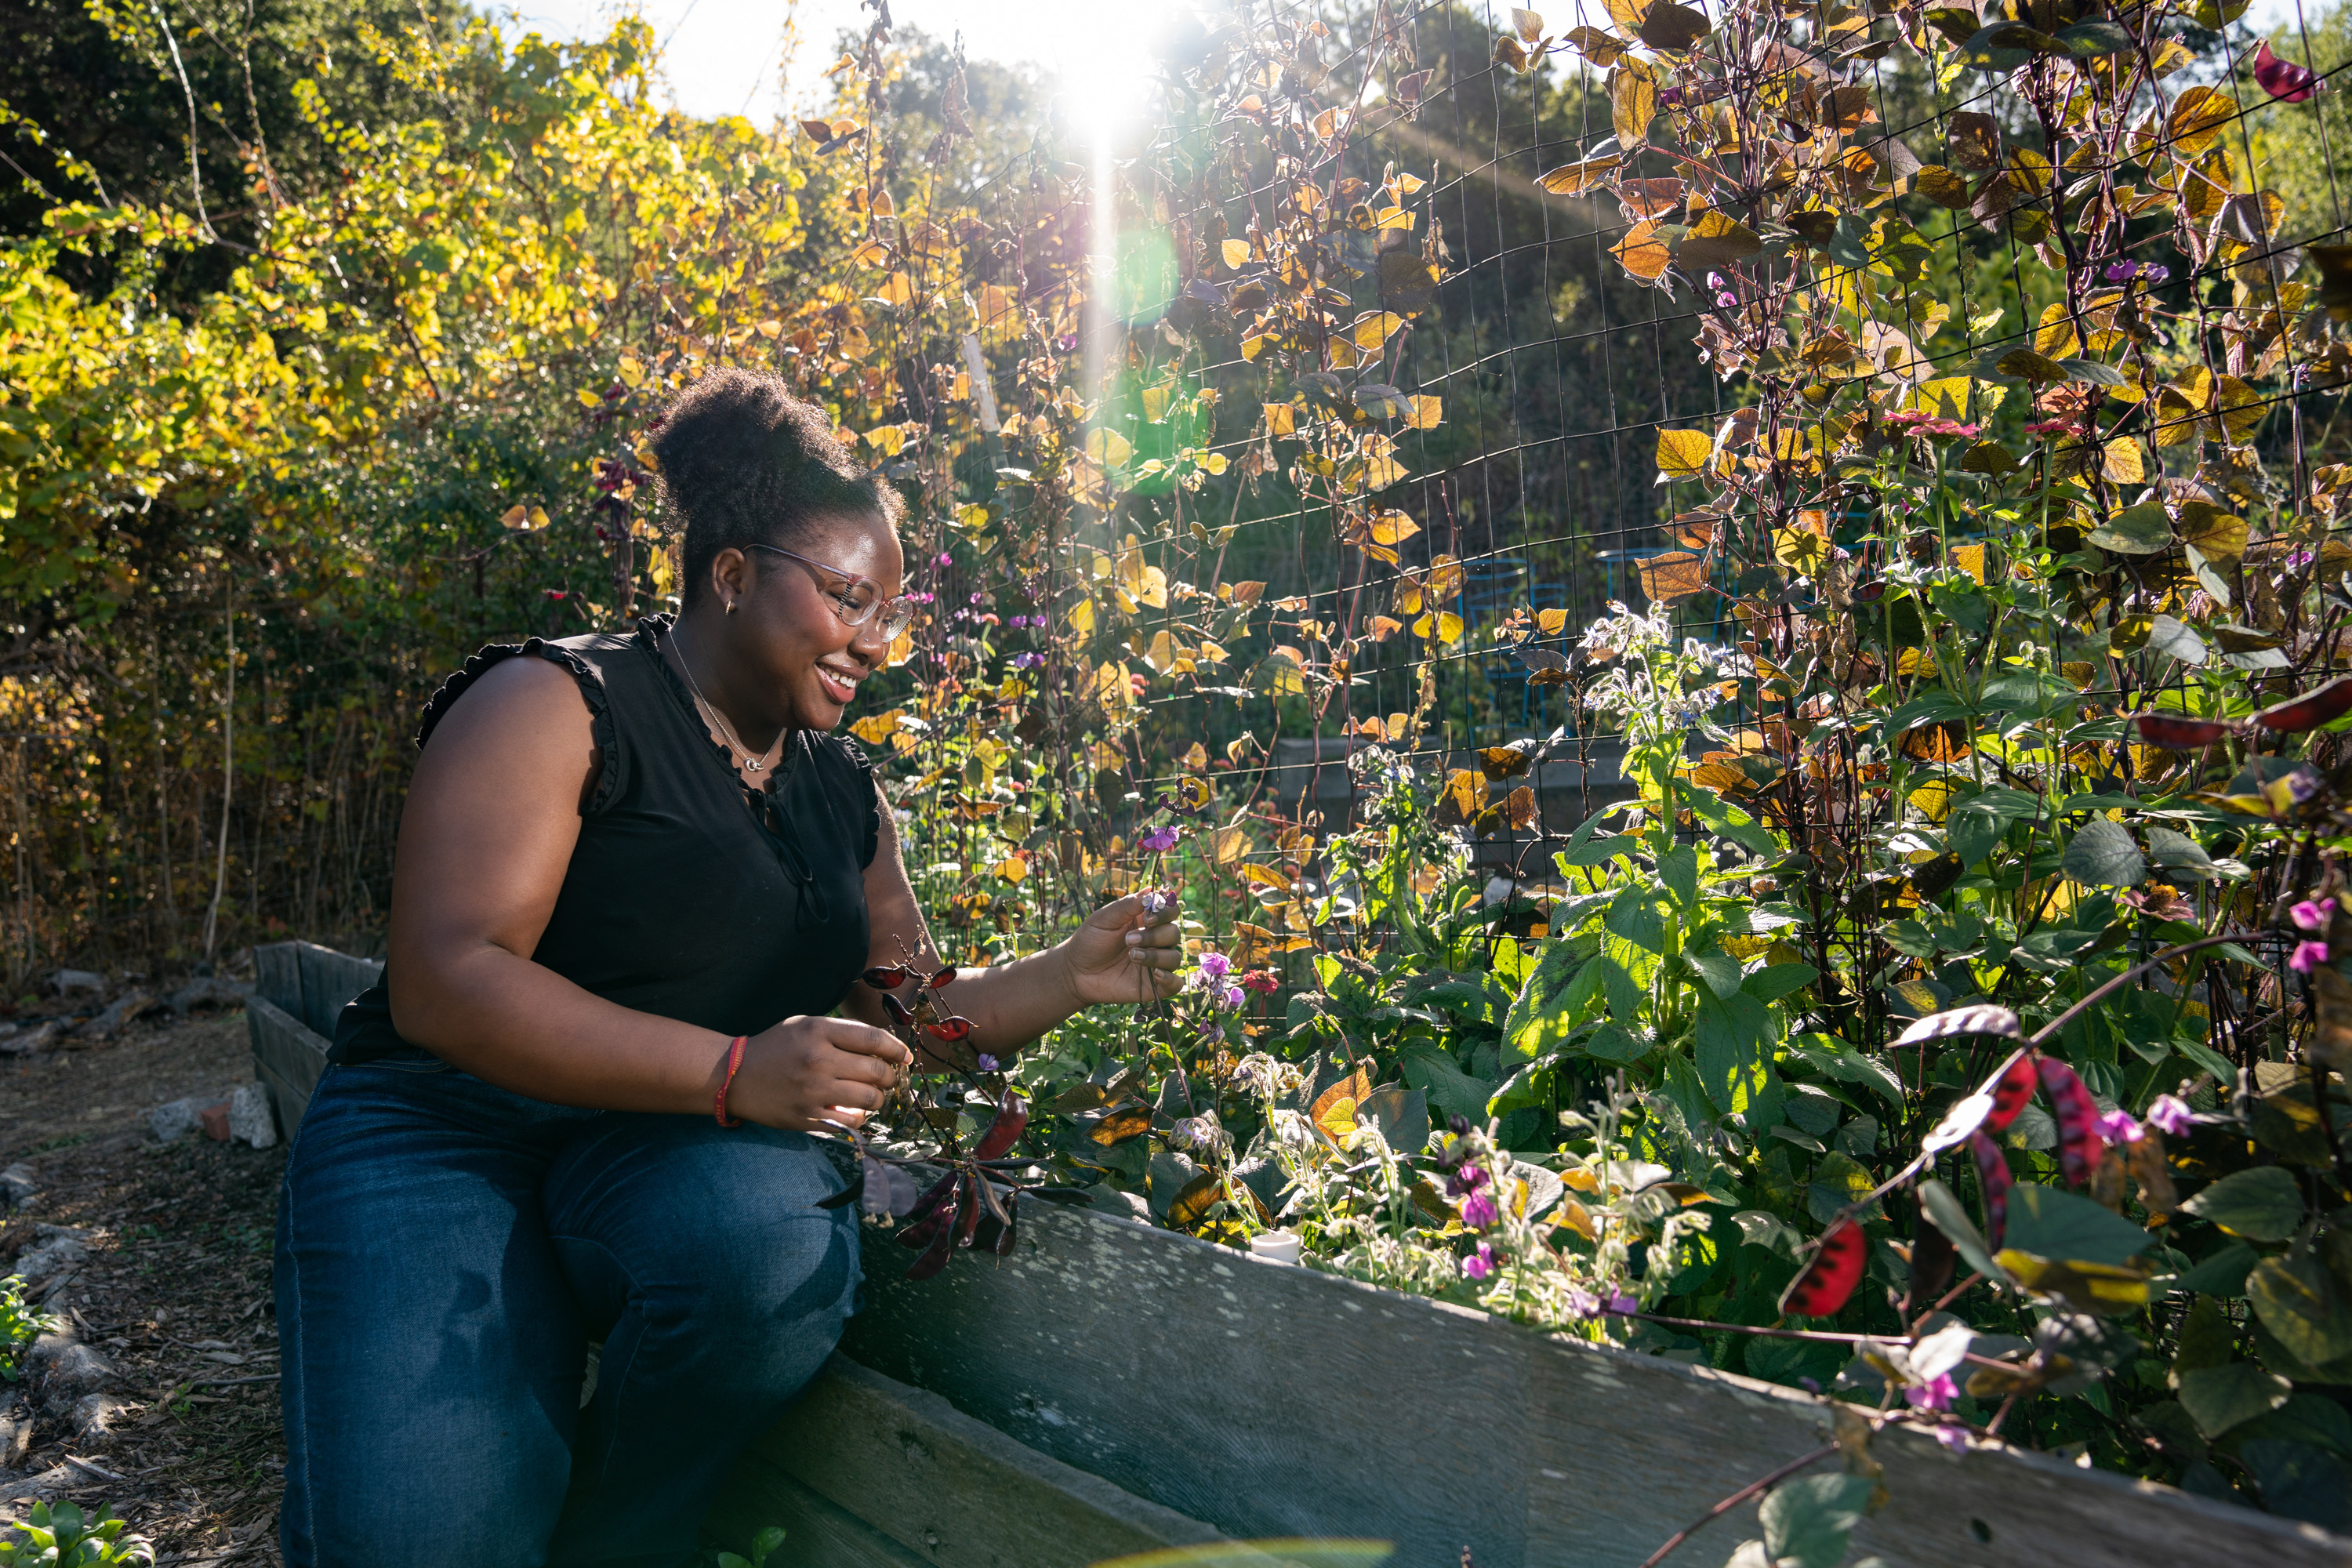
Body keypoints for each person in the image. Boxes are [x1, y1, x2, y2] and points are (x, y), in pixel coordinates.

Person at [273, 367, 1181, 1566]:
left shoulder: (840, 793)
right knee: (417, 1542)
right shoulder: (555, 702)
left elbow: (902, 1014)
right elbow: (450, 975)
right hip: (446, 1132)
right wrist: (736, 1071)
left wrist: (1069, 975)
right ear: (734, 573)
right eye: (852, 597)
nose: (878, 640)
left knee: (771, 1245)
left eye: (893, 612)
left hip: (650, 1150)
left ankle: (617, 1538)